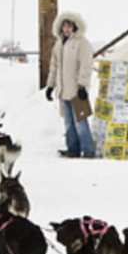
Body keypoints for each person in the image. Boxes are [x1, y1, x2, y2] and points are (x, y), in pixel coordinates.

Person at [42, 11, 95, 158]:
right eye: (64, 26)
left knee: (81, 123)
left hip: (77, 91)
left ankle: (88, 151)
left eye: (70, 26)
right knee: (68, 124)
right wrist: (50, 85)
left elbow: (85, 66)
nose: (66, 29)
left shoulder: (82, 44)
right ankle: (73, 150)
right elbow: (54, 66)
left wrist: (83, 86)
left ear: (76, 27)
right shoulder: (59, 44)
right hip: (63, 90)